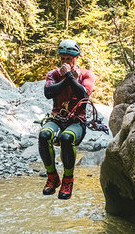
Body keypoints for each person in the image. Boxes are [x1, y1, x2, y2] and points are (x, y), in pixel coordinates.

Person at [38, 39, 95, 199]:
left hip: (77, 121)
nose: (65, 62)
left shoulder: (87, 75)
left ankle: (68, 180)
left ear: (76, 58)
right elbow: (49, 93)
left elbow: (84, 94)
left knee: (66, 138)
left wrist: (70, 76)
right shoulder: (53, 74)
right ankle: (52, 177)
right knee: (44, 135)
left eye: (68, 59)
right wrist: (68, 77)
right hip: (57, 119)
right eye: (62, 59)